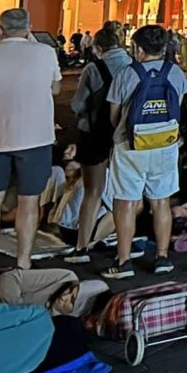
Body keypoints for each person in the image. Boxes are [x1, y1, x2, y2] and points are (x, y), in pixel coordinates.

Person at [102, 24, 187, 279]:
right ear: (163, 48)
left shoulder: (127, 74)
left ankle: (124, 260)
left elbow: (114, 115)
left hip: (130, 146)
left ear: (138, 49)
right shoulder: (176, 73)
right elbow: (178, 108)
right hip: (165, 145)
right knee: (161, 201)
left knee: (126, 202)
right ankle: (162, 257)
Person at [0, 9, 62, 271]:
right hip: (35, 137)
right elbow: (55, 88)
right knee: (29, 202)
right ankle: (23, 261)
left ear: (0, 28)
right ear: (29, 26)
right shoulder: (45, 52)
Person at [64, 26, 131, 263]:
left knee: (92, 192)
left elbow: (77, 104)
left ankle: (81, 248)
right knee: (125, 194)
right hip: (125, 136)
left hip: (94, 135)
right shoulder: (132, 65)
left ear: (98, 47)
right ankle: (124, 249)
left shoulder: (94, 68)